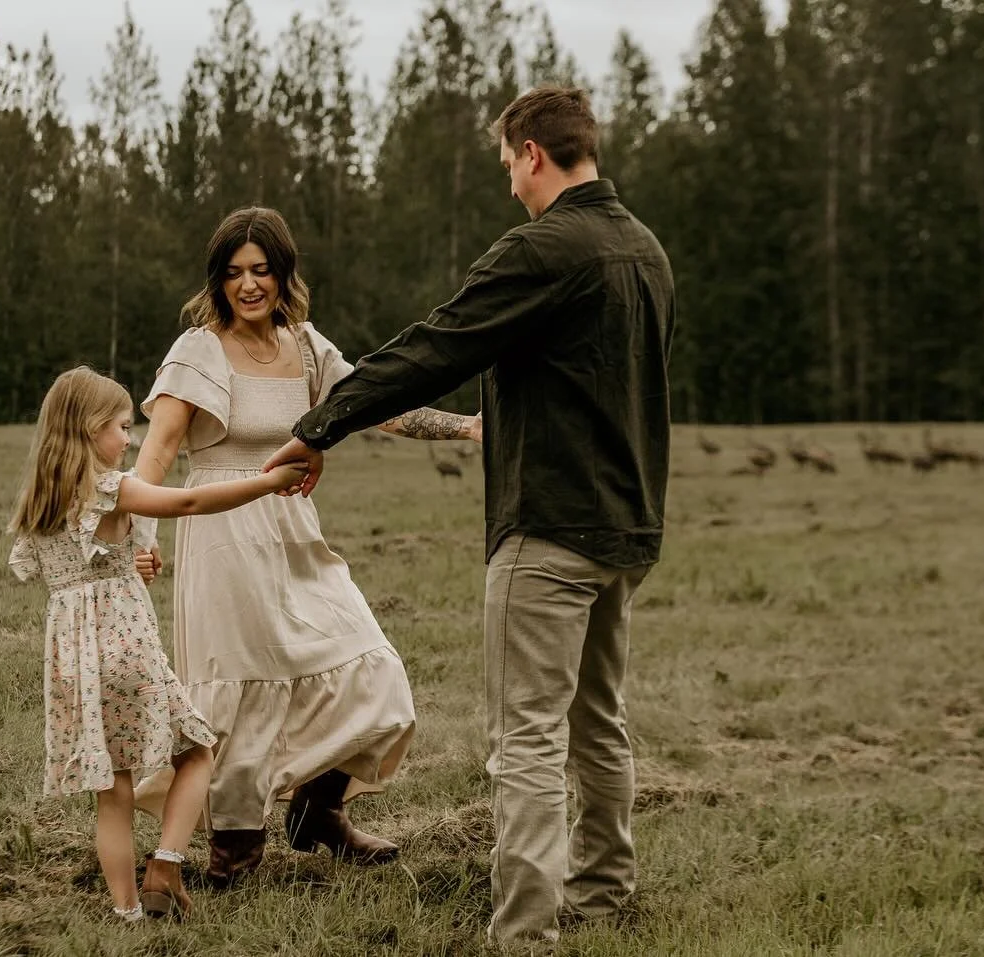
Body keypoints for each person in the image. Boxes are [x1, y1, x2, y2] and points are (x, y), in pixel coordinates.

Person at [263, 86, 675, 947]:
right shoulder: (647, 251)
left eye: (506, 167)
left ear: (532, 153)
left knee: (525, 735)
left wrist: (319, 423)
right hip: (626, 530)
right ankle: (604, 895)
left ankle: (524, 931)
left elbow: (436, 346)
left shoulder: (543, 249)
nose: (508, 187)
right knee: (599, 720)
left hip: (550, 529)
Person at [132, 206, 481, 886]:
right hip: (222, 534)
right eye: (234, 273)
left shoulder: (306, 346)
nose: (249, 285)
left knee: (373, 666)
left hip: (293, 533)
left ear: (283, 272)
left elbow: (376, 406)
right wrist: (138, 539)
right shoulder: (198, 350)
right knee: (242, 691)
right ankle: (233, 852)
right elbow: (158, 451)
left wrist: (465, 427)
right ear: (218, 280)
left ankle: (315, 810)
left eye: (261, 270)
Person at [7, 366, 307, 921]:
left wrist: (133, 562)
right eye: (121, 426)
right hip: (126, 648)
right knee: (197, 752)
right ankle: (166, 862)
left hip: (76, 662)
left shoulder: (40, 498)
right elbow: (188, 504)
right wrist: (267, 483)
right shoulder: (110, 488)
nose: (130, 438)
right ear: (89, 428)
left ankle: (126, 913)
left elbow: (84, 565)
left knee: (113, 791)